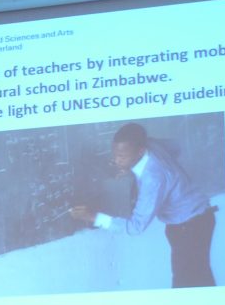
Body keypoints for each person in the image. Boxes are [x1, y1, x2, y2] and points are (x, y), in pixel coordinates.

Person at [71, 122, 216, 288]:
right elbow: (176, 147)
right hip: (197, 217)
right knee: (200, 277)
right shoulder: (150, 144)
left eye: (122, 157)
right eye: (115, 155)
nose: (116, 161)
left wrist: (94, 217)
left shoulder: (152, 178)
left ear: (140, 151)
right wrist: (134, 168)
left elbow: (135, 227)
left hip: (189, 227)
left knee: (185, 284)